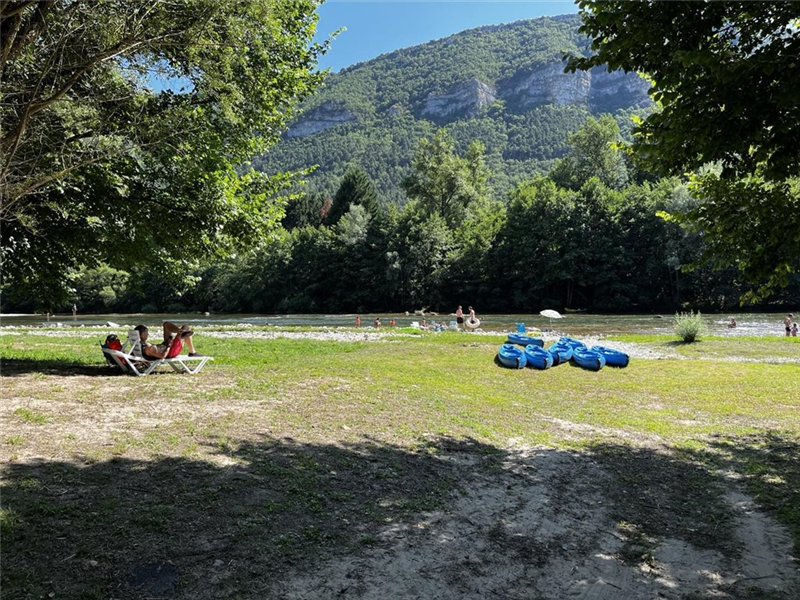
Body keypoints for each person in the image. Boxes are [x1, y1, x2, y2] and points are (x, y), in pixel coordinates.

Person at [134, 322, 201, 359]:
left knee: (166, 324)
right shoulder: (147, 348)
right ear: (141, 334)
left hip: (165, 346)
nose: (147, 334)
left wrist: (165, 344)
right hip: (170, 352)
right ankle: (192, 352)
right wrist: (168, 345)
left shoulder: (141, 344)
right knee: (185, 327)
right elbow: (162, 356)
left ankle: (180, 331)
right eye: (145, 332)